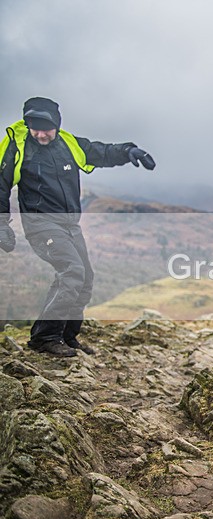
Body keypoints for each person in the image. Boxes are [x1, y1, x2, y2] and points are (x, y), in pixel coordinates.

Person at [0, 96, 156, 357]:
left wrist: (129, 151)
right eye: (34, 128)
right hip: (41, 224)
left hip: (70, 225)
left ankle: (66, 336)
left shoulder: (68, 144)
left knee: (85, 279)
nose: (40, 134)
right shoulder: (17, 145)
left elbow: (100, 152)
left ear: (57, 124)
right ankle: (44, 338)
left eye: (46, 128)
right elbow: (1, 184)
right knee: (72, 271)